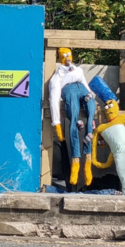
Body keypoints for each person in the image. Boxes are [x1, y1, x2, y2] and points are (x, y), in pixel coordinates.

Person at [90, 76, 125, 196]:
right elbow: (94, 148)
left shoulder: (124, 118)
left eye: (110, 105)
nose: (108, 109)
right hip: (118, 156)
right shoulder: (101, 128)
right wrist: (98, 162)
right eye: (106, 107)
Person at [49, 48, 96, 186]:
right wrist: (56, 122)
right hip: (69, 90)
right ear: (60, 58)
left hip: (82, 89)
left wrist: (90, 94)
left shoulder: (79, 71)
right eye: (64, 56)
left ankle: (88, 161)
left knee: (90, 113)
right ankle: (76, 161)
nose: (67, 58)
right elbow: (54, 98)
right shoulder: (57, 77)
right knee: (74, 118)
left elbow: (86, 85)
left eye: (69, 55)